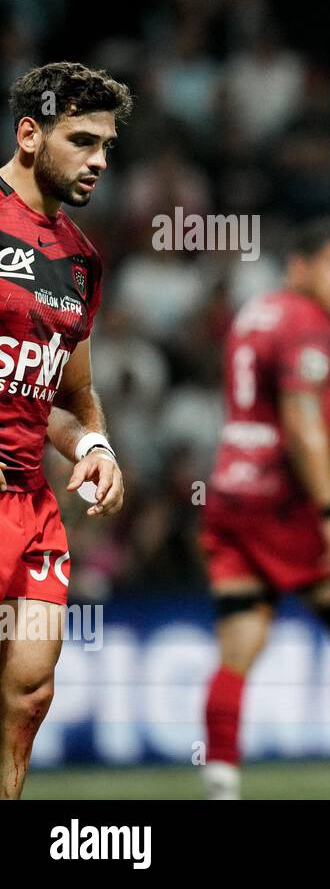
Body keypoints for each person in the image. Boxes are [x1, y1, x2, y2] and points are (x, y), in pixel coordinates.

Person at [198, 220, 330, 799]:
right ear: (299, 265)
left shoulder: (255, 312)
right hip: (289, 508)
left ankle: (221, 782)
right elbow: (303, 428)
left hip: (231, 494)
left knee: (241, 642)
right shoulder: (310, 322)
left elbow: (264, 421)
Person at [0, 62, 130, 799]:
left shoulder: (80, 260)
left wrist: (95, 446)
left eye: (107, 146)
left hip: (31, 506)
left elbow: (71, 392)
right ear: (29, 134)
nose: (100, 161)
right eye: (82, 141)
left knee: (29, 695)